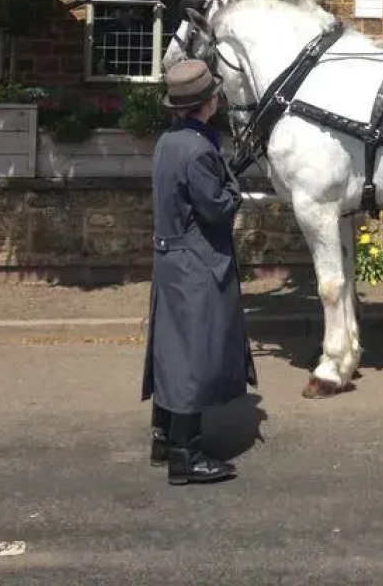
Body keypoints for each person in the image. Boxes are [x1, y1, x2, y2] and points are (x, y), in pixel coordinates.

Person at [142, 59, 256, 486]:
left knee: (172, 349)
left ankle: (164, 438)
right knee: (193, 353)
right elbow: (217, 208)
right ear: (209, 102)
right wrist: (235, 190)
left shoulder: (170, 141)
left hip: (171, 259)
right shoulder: (197, 149)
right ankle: (185, 457)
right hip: (196, 261)